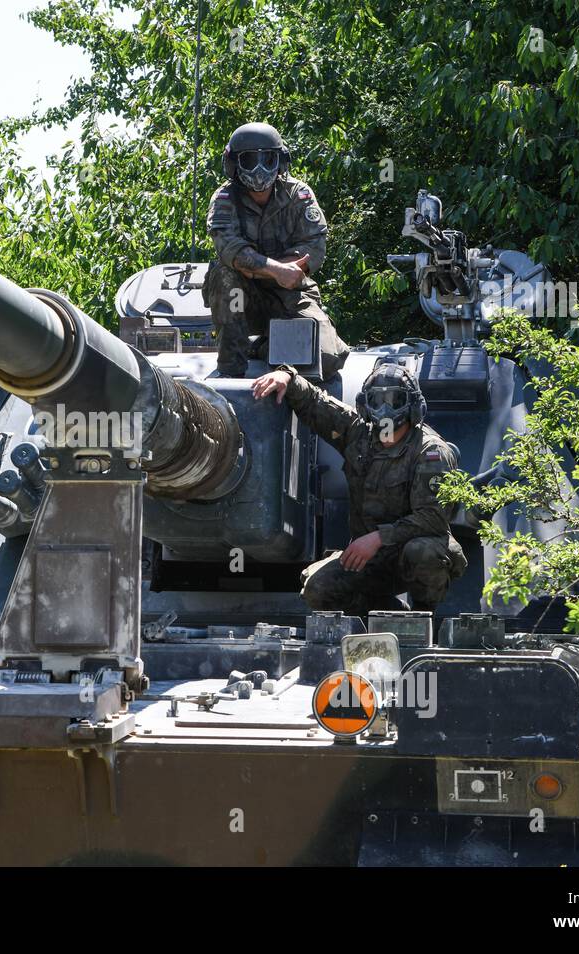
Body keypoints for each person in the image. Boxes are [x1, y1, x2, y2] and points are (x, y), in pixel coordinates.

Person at [251, 361, 467, 615]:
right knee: (317, 589)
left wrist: (377, 538)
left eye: (395, 400)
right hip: (370, 558)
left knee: (424, 552)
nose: (386, 409)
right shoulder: (358, 434)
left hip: (412, 555)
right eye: (378, 401)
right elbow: (317, 404)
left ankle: (422, 616)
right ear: (366, 404)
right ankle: (391, 614)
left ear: (413, 406)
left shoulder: (431, 452)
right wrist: (286, 376)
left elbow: (432, 519)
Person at [204, 122, 349, 380]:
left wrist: (256, 268)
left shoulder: (298, 194)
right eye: (250, 161)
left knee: (327, 358)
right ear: (234, 164)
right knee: (224, 275)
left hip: (292, 293)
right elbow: (230, 250)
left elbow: (314, 247)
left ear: (279, 161)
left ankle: (262, 347)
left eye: (267, 159)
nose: (259, 170)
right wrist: (277, 270)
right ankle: (231, 370)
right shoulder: (225, 198)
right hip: (245, 302)